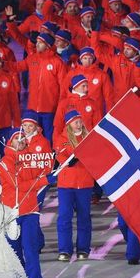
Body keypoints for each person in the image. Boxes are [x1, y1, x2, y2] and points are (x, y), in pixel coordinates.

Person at [0, 129, 55, 278]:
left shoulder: (31, 159)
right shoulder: (4, 163)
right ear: (10, 142)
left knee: (31, 251)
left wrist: (51, 168)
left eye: (23, 138)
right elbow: (19, 185)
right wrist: (44, 180)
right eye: (17, 138)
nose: (21, 141)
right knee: (14, 254)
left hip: (30, 212)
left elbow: (43, 170)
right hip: (11, 215)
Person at [54, 111, 94, 261]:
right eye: (75, 122)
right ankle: (64, 249)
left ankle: (83, 248)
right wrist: (75, 156)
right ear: (68, 124)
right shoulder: (62, 139)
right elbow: (62, 156)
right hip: (66, 185)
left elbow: (93, 156)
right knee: (64, 217)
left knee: (84, 217)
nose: (79, 124)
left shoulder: (89, 137)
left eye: (80, 121)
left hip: (84, 184)